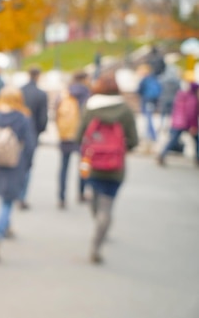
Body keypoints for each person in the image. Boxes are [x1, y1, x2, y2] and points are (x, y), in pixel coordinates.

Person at [76, 73, 138, 264]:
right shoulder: (125, 109)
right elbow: (134, 141)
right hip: (115, 167)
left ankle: (98, 221)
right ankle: (98, 240)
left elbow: (79, 136)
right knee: (107, 205)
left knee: (94, 195)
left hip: (92, 163)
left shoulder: (90, 106)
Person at [0, 87, 36, 262]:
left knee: (5, 195)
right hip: (15, 163)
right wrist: (27, 164)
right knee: (8, 201)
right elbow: (29, 145)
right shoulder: (22, 117)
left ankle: (7, 226)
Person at [56, 71, 91, 208]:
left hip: (65, 134)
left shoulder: (65, 93)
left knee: (64, 167)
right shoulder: (87, 94)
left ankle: (61, 197)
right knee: (83, 164)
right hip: (82, 136)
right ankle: (81, 192)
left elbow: (56, 113)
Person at [19, 66, 48, 210]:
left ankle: (18, 193)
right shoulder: (41, 94)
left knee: (18, 162)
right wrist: (40, 130)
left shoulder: (20, 90)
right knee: (28, 165)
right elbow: (43, 118)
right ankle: (22, 196)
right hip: (33, 132)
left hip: (18, 132)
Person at [157, 78, 199, 167]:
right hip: (185, 123)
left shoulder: (181, 95)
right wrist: (193, 125)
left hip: (177, 122)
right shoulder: (192, 99)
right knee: (196, 141)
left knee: (173, 140)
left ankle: (162, 154)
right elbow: (191, 114)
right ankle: (197, 158)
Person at [137, 64, 161, 151]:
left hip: (146, 100)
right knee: (149, 118)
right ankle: (150, 135)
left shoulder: (145, 79)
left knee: (148, 119)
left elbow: (139, 90)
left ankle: (151, 136)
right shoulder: (154, 78)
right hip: (152, 101)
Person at [158, 64, 181, 133]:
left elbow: (160, 89)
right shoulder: (177, 80)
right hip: (173, 99)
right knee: (171, 114)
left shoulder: (163, 79)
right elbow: (178, 90)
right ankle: (170, 127)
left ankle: (162, 125)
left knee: (163, 113)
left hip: (164, 98)